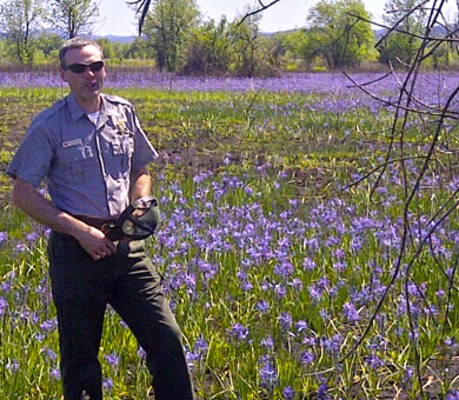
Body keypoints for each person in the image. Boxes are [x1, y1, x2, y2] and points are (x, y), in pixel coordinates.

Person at [7, 37, 194, 400]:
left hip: (127, 248)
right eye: (79, 68)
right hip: (77, 252)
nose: (90, 74)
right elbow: (23, 195)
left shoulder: (123, 113)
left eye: (96, 66)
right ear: (63, 74)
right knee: (81, 357)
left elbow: (140, 167)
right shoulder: (49, 125)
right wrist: (81, 233)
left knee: (166, 338)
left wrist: (141, 203)